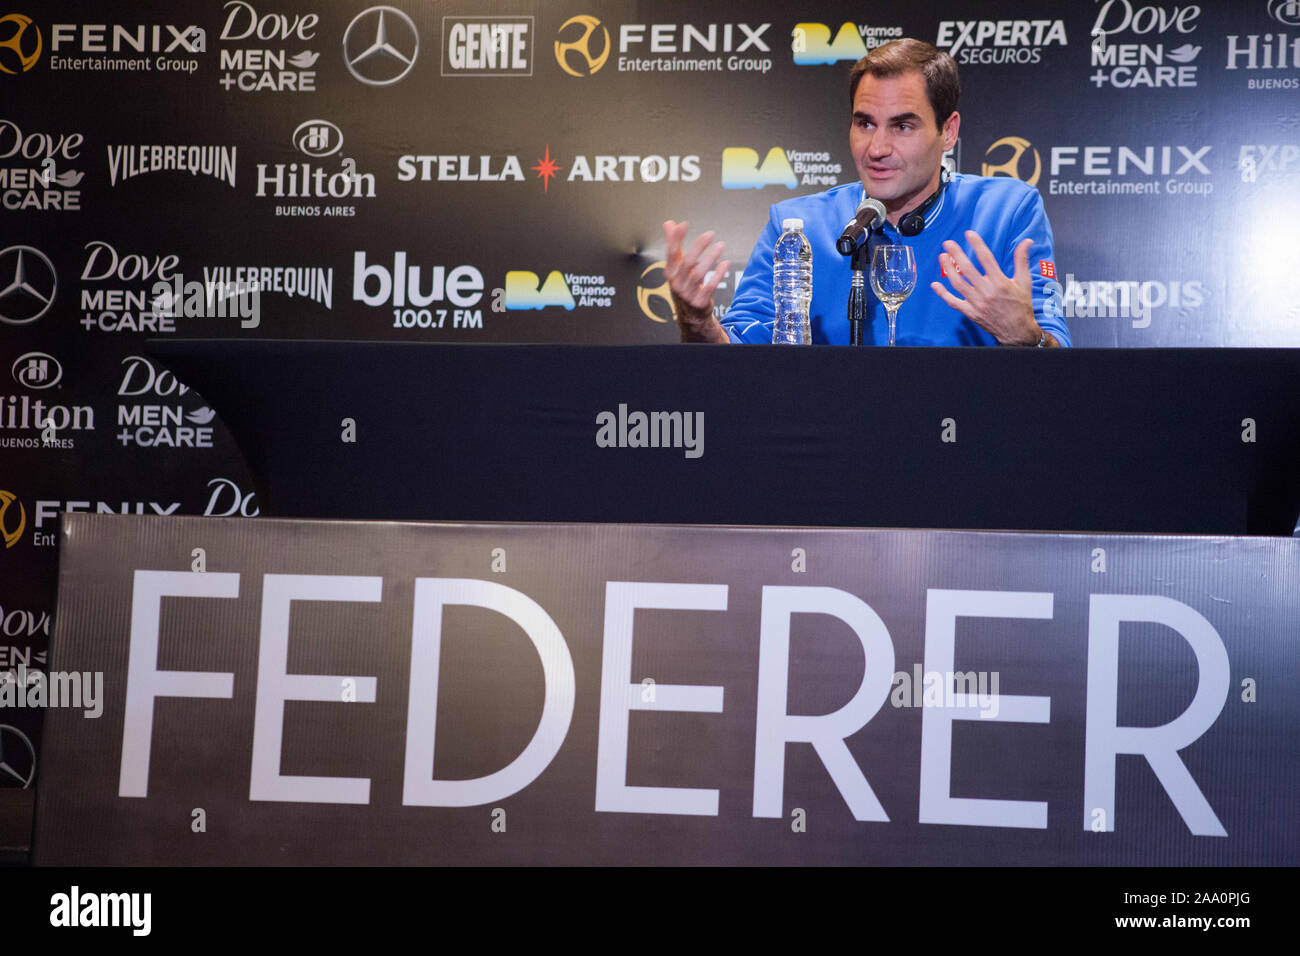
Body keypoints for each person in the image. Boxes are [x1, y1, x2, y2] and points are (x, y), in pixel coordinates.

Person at [664, 38, 1071, 348]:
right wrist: (699, 323)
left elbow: (1060, 364)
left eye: (902, 126)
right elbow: (735, 364)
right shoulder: (797, 227)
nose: (876, 148)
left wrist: (1027, 337)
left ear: (948, 131)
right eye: (865, 123)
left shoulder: (1007, 211)